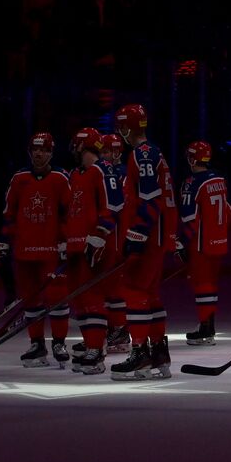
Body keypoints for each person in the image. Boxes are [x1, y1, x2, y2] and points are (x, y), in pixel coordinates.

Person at [110, 104, 177, 381]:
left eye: (121, 126)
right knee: (151, 295)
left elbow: (150, 198)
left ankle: (139, 353)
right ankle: (159, 351)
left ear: (128, 126)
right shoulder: (152, 153)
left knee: (134, 289)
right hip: (158, 235)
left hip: (149, 236)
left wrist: (136, 236)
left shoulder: (142, 154)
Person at [0, 133, 71, 368]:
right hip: (24, 251)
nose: (39, 154)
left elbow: (70, 212)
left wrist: (67, 240)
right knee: (31, 300)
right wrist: (4, 239)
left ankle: (59, 342)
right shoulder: (19, 179)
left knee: (57, 298)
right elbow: (9, 213)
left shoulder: (61, 178)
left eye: (44, 150)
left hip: (51, 251)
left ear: (51, 153)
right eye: (35, 150)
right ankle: (37, 344)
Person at [63, 128, 110, 374]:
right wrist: (65, 240)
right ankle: (89, 346)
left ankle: (96, 350)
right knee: (78, 299)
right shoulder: (75, 174)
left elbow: (110, 207)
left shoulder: (99, 172)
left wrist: (99, 236)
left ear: (83, 146)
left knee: (91, 299)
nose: (73, 149)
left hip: (91, 246)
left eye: (76, 145)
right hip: (74, 246)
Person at [179, 140, 231, 346]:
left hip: (201, 243)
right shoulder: (219, 179)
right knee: (210, 284)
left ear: (193, 158)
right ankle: (208, 324)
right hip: (218, 241)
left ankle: (205, 327)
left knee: (201, 284)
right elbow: (229, 212)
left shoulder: (192, 182)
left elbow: (189, 217)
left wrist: (183, 243)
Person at [98, 132, 130, 354]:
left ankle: (119, 330)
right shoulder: (112, 173)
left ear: (117, 152)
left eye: (106, 151)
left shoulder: (120, 175)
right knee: (108, 286)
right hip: (113, 236)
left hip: (120, 237)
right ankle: (114, 329)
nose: (102, 156)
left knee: (116, 286)